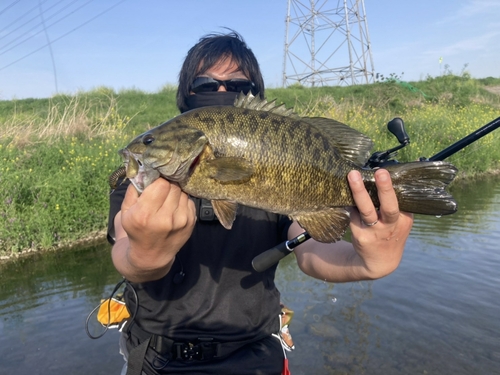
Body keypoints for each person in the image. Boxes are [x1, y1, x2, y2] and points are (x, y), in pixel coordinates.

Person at [107, 31, 414, 375]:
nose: (222, 92)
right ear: (186, 95)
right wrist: (144, 255)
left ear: (252, 95)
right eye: (206, 84)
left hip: (256, 356)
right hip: (156, 359)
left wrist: (364, 262)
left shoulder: (267, 172)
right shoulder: (142, 178)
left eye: (237, 85)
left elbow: (312, 251)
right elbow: (123, 250)